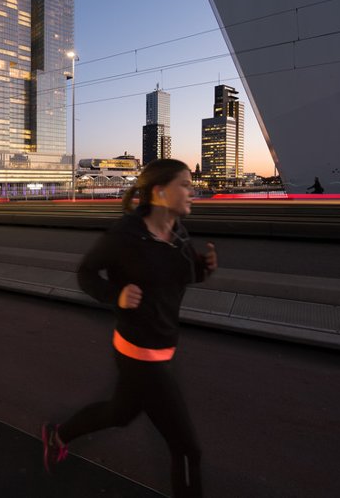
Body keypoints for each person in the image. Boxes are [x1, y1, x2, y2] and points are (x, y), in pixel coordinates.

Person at [42, 158, 217, 498]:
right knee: (187, 449)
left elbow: (177, 277)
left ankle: (57, 435)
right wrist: (116, 295)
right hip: (140, 354)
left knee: (120, 413)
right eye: (185, 184)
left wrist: (204, 268)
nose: (192, 190)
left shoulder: (178, 232)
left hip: (164, 346)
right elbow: (86, 273)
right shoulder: (126, 235)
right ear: (160, 191)